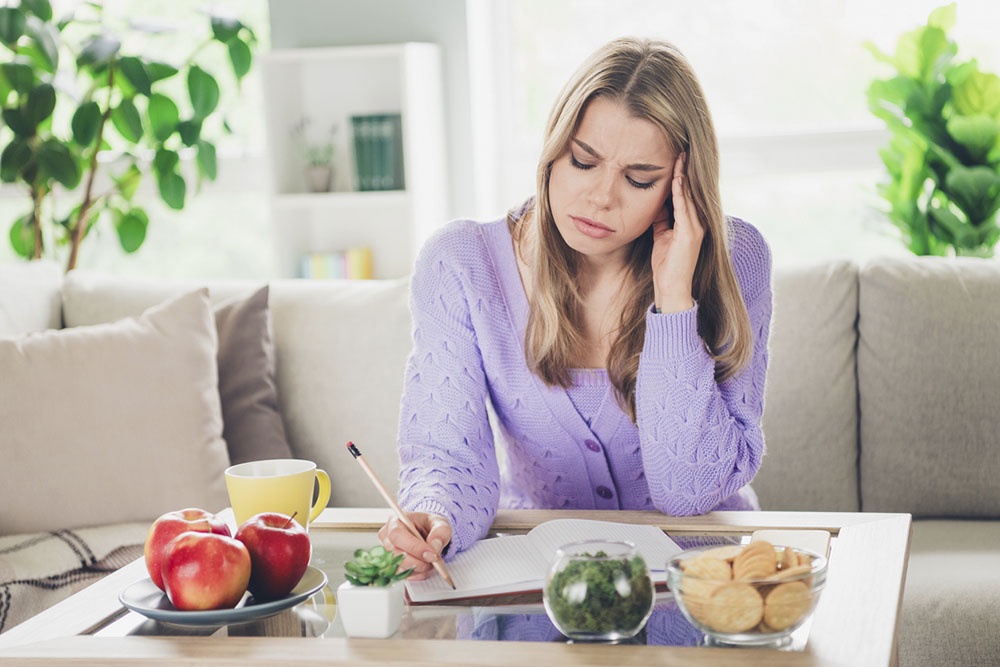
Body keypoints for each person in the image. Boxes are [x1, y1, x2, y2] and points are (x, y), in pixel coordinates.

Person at [378, 36, 772, 579]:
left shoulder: (735, 259)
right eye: (583, 161)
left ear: (682, 187)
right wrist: (434, 516)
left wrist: (675, 299)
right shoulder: (461, 265)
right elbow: (447, 458)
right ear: (553, 148)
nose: (601, 197)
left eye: (640, 179)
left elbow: (691, 491)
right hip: (539, 578)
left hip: (702, 582)